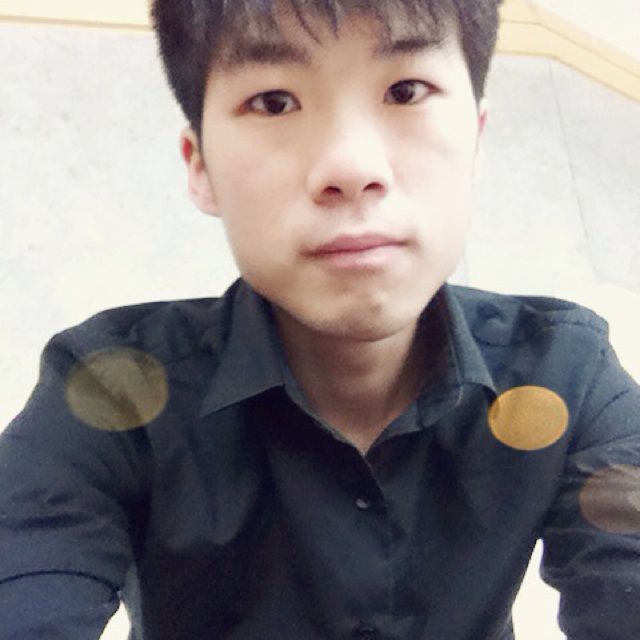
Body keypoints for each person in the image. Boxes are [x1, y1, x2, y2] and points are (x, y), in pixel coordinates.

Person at [1, 0, 639, 638]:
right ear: (200, 166)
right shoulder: (111, 393)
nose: (352, 168)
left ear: (476, 137)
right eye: (274, 102)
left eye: (406, 91)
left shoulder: (568, 376)